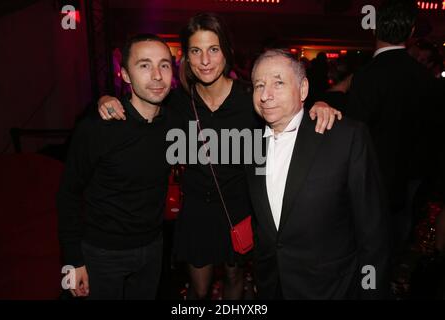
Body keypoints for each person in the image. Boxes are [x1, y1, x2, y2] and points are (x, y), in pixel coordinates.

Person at [97, 13, 342, 299]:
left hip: (238, 208)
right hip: (196, 211)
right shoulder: (176, 103)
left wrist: (320, 104)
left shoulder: (252, 98)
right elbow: (139, 110)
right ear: (186, 57)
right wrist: (105, 100)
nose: (205, 60)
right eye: (196, 51)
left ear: (226, 51)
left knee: (234, 281)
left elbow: (291, 113)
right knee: (197, 291)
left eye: (213, 49)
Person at [247, 49, 390, 299]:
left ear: (303, 89)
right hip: (273, 285)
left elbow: (373, 230)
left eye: (278, 83)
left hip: (331, 288)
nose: (265, 95)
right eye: (259, 85)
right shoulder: (250, 145)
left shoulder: (345, 137)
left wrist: (370, 291)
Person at [57, 34, 175, 299]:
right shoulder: (98, 128)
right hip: (102, 253)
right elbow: (68, 194)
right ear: (125, 75)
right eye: (144, 65)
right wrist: (72, 261)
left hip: (153, 248)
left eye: (164, 65)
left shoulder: (173, 122)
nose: (157, 75)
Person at [347, 0, 441, 261]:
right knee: (392, 250)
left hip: (370, 180)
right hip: (410, 179)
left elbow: (353, 135)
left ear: (374, 29)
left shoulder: (367, 76)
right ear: (411, 33)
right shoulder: (425, 79)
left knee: (366, 251)